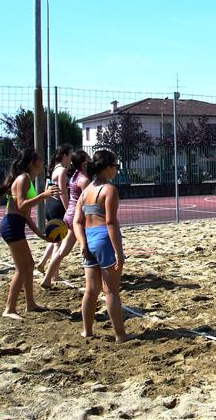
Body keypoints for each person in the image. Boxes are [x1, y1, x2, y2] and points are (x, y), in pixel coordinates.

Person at [0, 148, 60, 320]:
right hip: (11, 225)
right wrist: (44, 195)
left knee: (30, 264)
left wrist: (41, 235)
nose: (42, 161)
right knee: (22, 267)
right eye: (39, 158)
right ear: (31, 163)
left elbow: (25, 214)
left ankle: (31, 304)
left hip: (16, 223)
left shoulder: (28, 179)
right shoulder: (23, 178)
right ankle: (9, 309)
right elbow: (21, 205)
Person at [73, 150, 135, 342]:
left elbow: (77, 222)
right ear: (107, 168)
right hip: (103, 239)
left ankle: (87, 331)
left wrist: (82, 243)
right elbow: (110, 223)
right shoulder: (109, 190)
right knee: (111, 291)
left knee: (91, 290)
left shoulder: (85, 192)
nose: (116, 169)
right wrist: (119, 252)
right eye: (116, 166)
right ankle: (120, 335)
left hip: (88, 239)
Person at [40, 149, 90, 288]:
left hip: (70, 214)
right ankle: (92, 279)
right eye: (88, 160)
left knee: (62, 250)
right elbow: (88, 200)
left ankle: (47, 278)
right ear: (83, 163)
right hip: (77, 215)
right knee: (86, 247)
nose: (91, 163)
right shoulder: (83, 179)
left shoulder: (74, 176)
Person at [37, 144, 73, 274]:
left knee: (54, 237)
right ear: (65, 155)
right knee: (58, 241)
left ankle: (42, 263)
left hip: (50, 205)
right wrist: (68, 209)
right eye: (71, 154)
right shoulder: (62, 170)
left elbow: (48, 189)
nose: (72, 157)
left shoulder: (53, 169)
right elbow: (63, 192)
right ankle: (54, 273)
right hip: (58, 206)